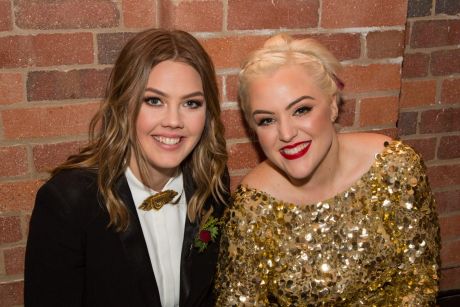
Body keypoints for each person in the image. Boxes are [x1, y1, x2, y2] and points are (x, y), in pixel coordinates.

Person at [215, 34, 440, 306]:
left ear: (333, 105)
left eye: (301, 110)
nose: (286, 134)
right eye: (267, 120)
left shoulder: (395, 168)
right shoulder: (250, 209)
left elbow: (419, 280)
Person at [25, 28, 229, 307]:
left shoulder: (211, 182)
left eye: (191, 103)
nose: (173, 121)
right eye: (154, 101)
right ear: (123, 105)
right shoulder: (68, 203)